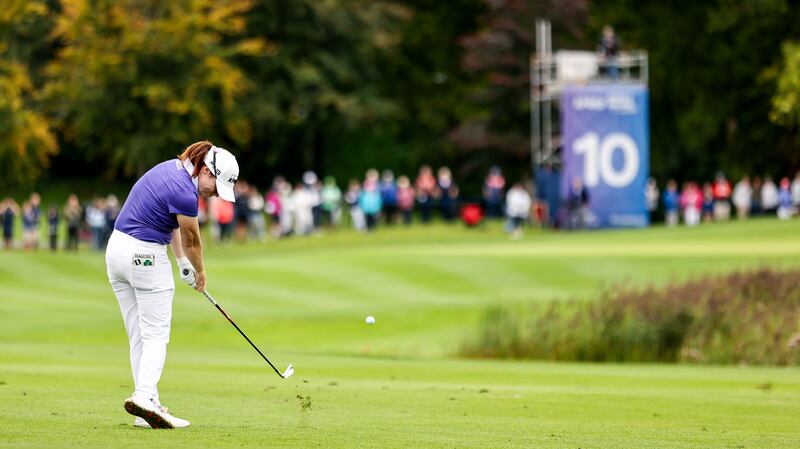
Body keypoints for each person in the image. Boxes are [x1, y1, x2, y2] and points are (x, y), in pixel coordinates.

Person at [105, 140, 238, 429]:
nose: (216, 193)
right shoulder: (186, 192)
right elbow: (192, 238)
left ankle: (146, 405)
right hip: (144, 255)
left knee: (138, 333)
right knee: (156, 334)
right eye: (216, 185)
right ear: (205, 170)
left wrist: (181, 263)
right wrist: (200, 273)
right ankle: (143, 396)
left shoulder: (171, 170)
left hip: (116, 252)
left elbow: (172, 226)